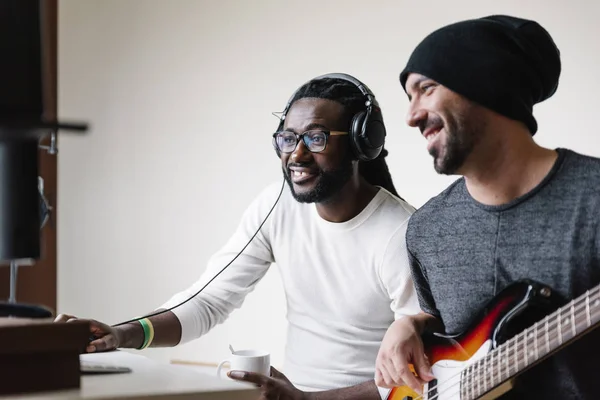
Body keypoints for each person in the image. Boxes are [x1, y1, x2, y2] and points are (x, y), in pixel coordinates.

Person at [56, 73, 420, 400]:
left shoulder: (401, 234)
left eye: (316, 138)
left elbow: (419, 369)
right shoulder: (276, 208)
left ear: (362, 142)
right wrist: (121, 335)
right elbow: (210, 300)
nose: (297, 154)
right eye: (288, 138)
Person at [374, 15, 600, 399]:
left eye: (426, 89)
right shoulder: (428, 229)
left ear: (486, 84)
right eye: (408, 98)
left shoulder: (592, 199)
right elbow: (451, 330)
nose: (411, 116)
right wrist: (410, 323)